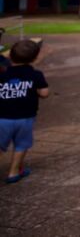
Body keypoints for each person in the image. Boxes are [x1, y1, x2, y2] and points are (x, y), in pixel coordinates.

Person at [0, 39, 49, 184]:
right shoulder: (36, 75)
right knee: (21, 145)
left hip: (2, 118)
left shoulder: (2, 75)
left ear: (10, 56)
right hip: (25, 118)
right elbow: (45, 93)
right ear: (34, 58)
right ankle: (13, 172)